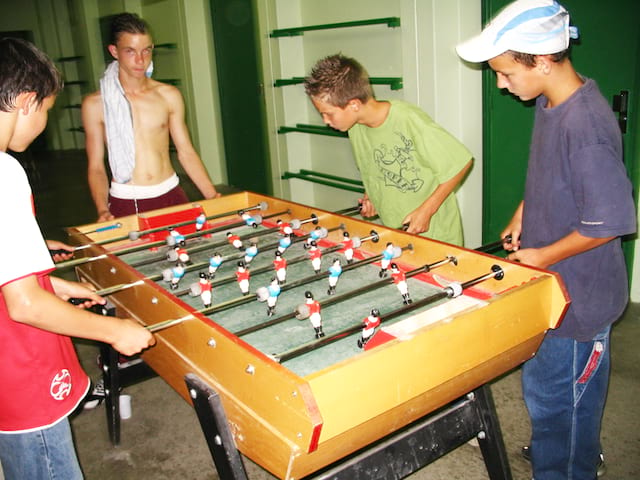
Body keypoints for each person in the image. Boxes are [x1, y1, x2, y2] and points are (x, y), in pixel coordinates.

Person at [456, 1, 636, 479]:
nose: (500, 83)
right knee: (543, 385)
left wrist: (543, 254)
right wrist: (523, 212)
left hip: (581, 297)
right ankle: (559, 448)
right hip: (553, 285)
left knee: (564, 400)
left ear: (541, 60)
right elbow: (550, 176)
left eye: (505, 73)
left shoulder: (587, 125)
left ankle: (569, 467)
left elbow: (611, 221)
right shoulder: (548, 101)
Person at [0, 37, 155, 480]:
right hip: (23, 370)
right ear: (27, 102)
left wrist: (54, 281)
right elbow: (24, 304)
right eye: (47, 108)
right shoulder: (6, 172)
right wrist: (114, 330)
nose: (45, 121)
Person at [304, 54, 473, 245]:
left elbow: (460, 162)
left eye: (328, 114)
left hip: (436, 235)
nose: (325, 121)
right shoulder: (354, 127)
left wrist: (426, 211)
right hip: (396, 232)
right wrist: (372, 196)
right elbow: (375, 170)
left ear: (354, 105)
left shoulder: (407, 119)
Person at [82, 12, 220, 222]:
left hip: (171, 194)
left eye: (146, 51)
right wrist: (102, 209)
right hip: (127, 200)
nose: (140, 60)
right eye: (130, 51)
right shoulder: (95, 105)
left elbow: (186, 152)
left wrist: (212, 195)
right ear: (114, 51)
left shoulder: (168, 95)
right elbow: (96, 167)